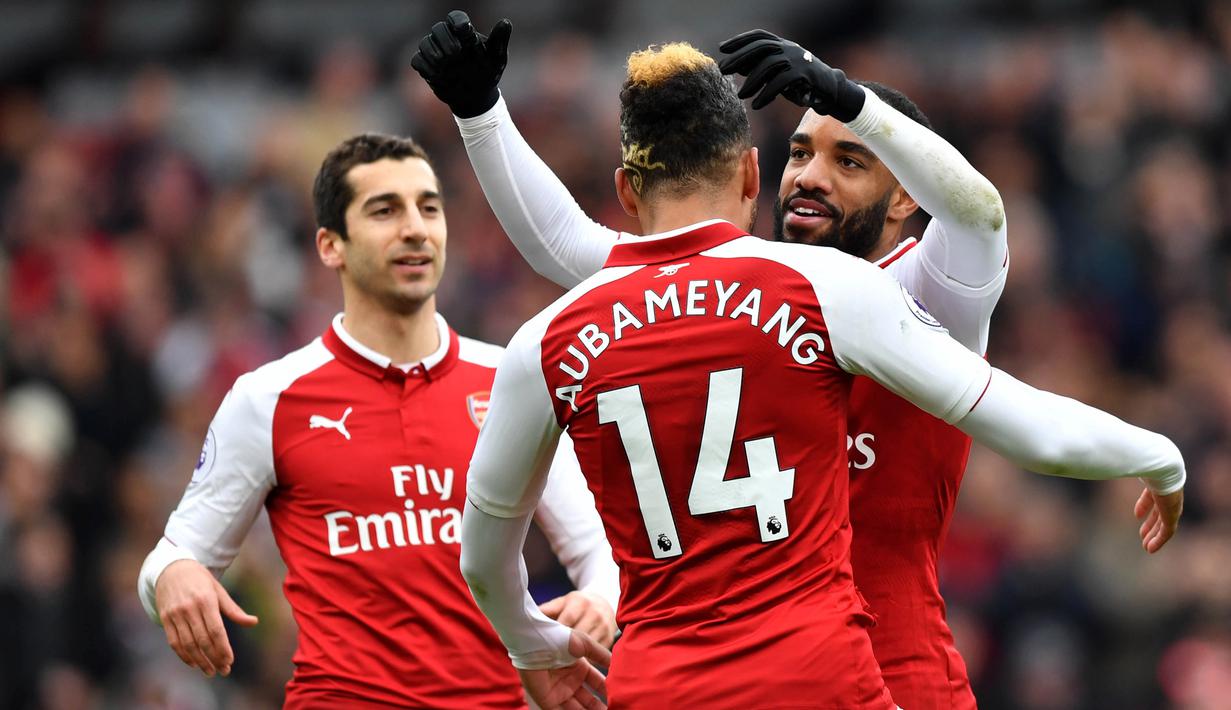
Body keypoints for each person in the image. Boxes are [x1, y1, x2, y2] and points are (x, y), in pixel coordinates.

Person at [441, 42, 1183, 710]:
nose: (811, 176)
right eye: (799, 153)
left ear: (906, 197)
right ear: (757, 170)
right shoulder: (763, 290)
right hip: (807, 668)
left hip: (893, 671)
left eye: (849, 160)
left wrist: (852, 96)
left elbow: (979, 215)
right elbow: (569, 243)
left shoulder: (928, 290)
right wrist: (482, 112)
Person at [136, 134, 620, 708]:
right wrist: (173, 576)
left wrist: (601, 598)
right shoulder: (267, 398)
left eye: (429, 207)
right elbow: (174, 552)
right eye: (385, 210)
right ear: (330, 246)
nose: (415, 228)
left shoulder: (510, 377)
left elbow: (599, 552)